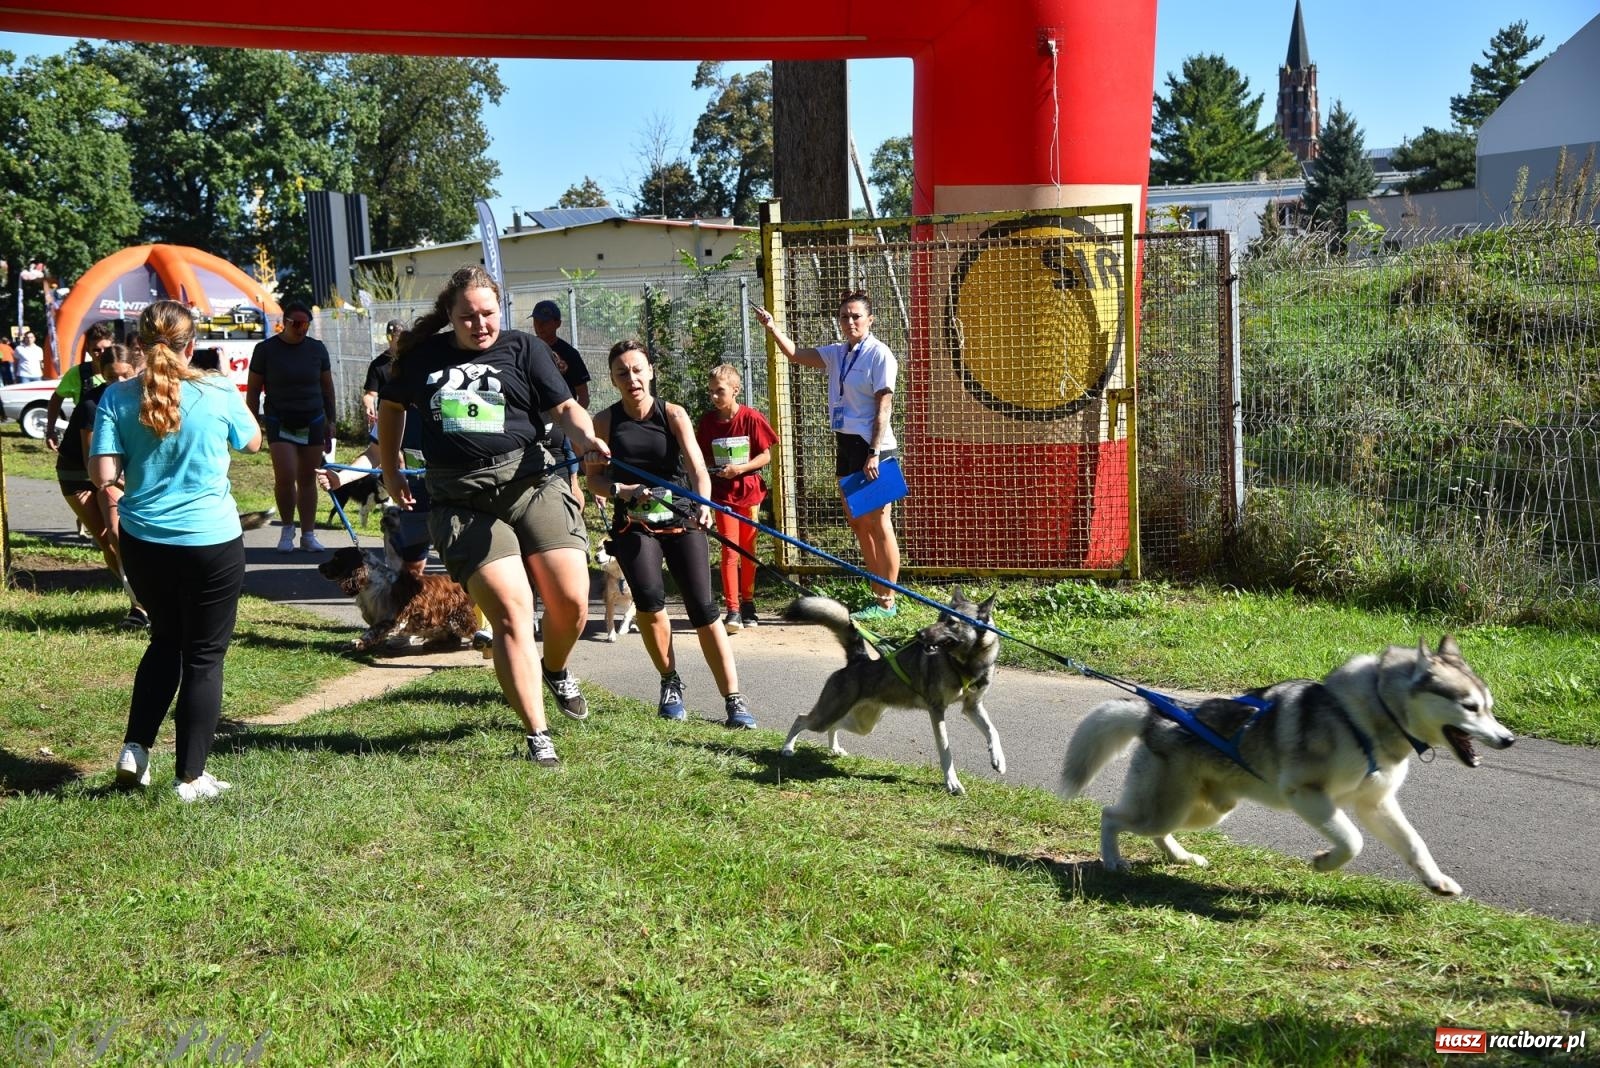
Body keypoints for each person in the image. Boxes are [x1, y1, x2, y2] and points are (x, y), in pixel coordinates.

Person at [377, 266, 606, 767]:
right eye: (468, 317)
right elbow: (391, 408)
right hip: (462, 499)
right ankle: (538, 733)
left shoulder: (525, 348)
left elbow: (565, 407)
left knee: (572, 601)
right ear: (450, 317)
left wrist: (586, 437)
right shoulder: (424, 356)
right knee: (512, 612)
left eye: (488, 314)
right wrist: (391, 466)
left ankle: (556, 666)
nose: (480, 325)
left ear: (500, 309)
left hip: (531, 483)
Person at [89, 300, 263, 802]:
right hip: (211, 541)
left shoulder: (116, 397)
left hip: (145, 541)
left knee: (164, 642)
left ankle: (135, 750)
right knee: (205, 657)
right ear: (192, 343)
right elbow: (252, 442)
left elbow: (104, 477)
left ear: (139, 344)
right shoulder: (216, 389)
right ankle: (190, 777)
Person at [584, 340, 757, 729]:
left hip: (681, 519)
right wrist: (621, 491)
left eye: (638, 370)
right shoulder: (605, 422)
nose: (632, 379)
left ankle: (733, 698)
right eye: (622, 373)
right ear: (613, 380)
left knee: (703, 608)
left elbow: (697, 467)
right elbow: (593, 478)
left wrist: (705, 504)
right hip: (634, 525)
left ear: (651, 372)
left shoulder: (673, 414)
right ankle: (670, 683)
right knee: (648, 601)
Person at [754, 290, 902, 620]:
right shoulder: (838, 353)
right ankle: (878, 594)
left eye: (856, 316)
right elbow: (795, 355)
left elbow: (884, 405)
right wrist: (773, 327)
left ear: (870, 320)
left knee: (880, 523)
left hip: (873, 447)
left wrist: (875, 452)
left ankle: (889, 601)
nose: (850, 322)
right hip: (846, 443)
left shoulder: (880, 355)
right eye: (844, 317)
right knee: (858, 523)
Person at [56, 342, 148, 628]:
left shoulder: (141, 398)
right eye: (111, 376)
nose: (118, 382)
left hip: (114, 471)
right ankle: (138, 601)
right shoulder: (91, 404)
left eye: (125, 375)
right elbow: (91, 462)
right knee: (108, 538)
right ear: (101, 374)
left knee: (120, 535)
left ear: (136, 369)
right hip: (80, 475)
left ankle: (141, 607)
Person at [246, 301, 335, 553]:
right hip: (279, 420)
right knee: (285, 476)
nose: (301, 329)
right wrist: (252, 423)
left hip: (313, 419)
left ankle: (308, 534)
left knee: (308, 478)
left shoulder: (317, 349)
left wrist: (332, 420)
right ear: (284, 323)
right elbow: (253, 389)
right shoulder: (266, 349)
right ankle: (287, 530)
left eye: (306, 324)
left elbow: (328, 388)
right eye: (296, 324)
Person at [694, 363, 776, 631]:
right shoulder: (708, 422)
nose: (714, 397)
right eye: (711, 392)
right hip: (722, 495)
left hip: (749, 492)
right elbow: (701, 455)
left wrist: (739, 468)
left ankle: (749, 602)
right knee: (730, 550)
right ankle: (732, 609)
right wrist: (710, 469)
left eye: (720, 391)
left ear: (735, 390)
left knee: (747, 550)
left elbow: (765, 454)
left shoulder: (751, 418)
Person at [45, 323, 114, 451]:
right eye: (96, 350)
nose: (102, 354)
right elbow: (56, 399)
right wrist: (50, 430)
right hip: (83, 444)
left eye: (106, 349)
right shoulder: (77, 373)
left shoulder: (122, 372)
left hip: (114, 441)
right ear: (88, 350)